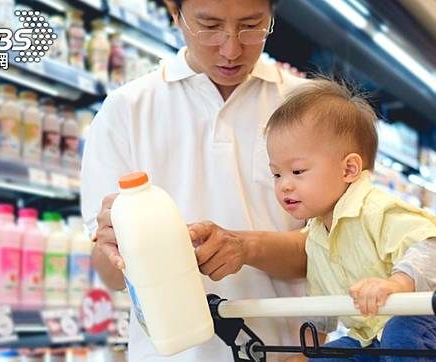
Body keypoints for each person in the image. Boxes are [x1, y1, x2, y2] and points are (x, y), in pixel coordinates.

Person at [81, 0, 311, 360]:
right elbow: (110, 277)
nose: (231, 48)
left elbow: (341, 250)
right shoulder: (126, 110)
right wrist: (114, 246)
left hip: (288, 351)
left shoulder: (308, 106)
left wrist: (246, 247)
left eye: (252, 25)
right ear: (175, 11)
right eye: (210, 25)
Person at [263, 79, 436, 362]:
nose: (284, 186)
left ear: (350, 169)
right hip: (380, 340)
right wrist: (308, 349)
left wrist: (397, 284)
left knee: (402, 332)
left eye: (298, 171)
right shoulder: (316, 237)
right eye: (277, 174)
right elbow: (322, 306)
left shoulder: (377, 209)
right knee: (335, 354)